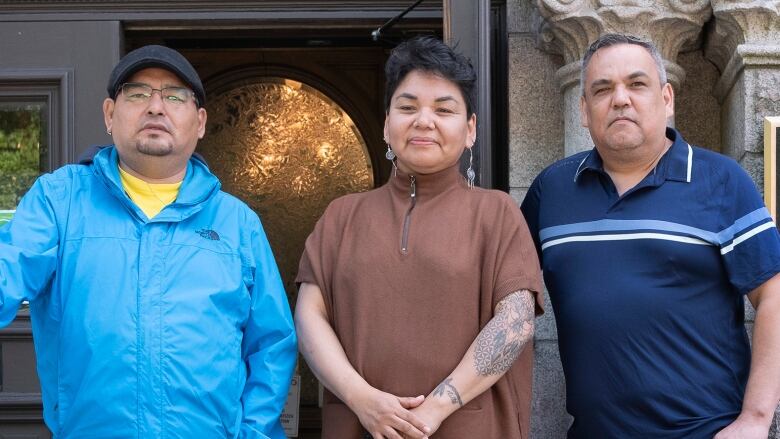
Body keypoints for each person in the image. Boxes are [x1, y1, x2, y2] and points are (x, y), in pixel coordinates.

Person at [0, 45, 297, 438]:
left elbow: (272, 344)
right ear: (110, 114)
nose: (156, 107)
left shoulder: (238, 223)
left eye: (174, 96)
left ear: (201, 121)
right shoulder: (59, 200)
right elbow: (8, 268)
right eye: (138, 93)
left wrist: (256, 434)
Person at [521, 33, 780, 438]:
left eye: (636, 84)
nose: (620, 99)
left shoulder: (721, 181)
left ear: (667, 98)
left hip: (707, 431)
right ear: (584, 110)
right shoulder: (551, 191)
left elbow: (774, 297)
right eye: (602, 89)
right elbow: (503, 293)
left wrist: (756, 419)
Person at [294, 36, 543, 439]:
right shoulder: (343, 215)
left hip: (467, 427)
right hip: (359, 426)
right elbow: (309, 317)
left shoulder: (497, 213)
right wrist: (362, 400)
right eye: (408, 107)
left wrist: (433, 410)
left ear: (470, 129)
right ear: (387, 123)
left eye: (444, 109)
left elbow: (515, 323)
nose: (424, 121)